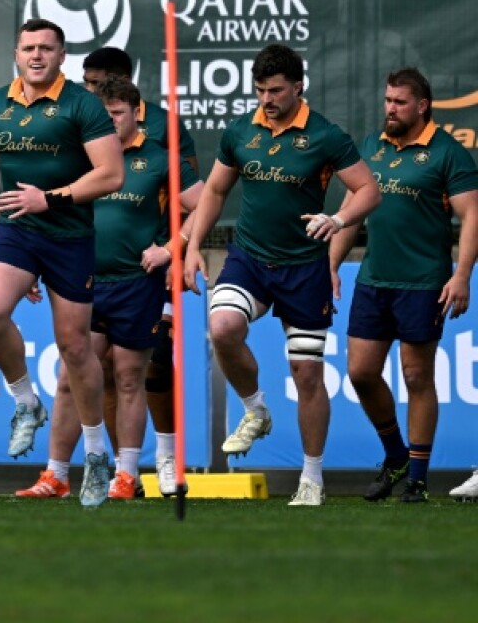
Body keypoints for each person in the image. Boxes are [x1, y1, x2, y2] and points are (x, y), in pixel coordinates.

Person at [184, 43, 381, 506]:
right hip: (249, 258)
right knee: (222, 326)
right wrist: (191, 247)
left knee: (307, 373)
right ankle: (255, 410)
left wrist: (337, 219)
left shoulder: (326, 136)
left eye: (275, 91)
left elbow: (369, 190)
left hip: (304, 267)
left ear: (298, 87)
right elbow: (213, 190)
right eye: (259, 91)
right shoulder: (240, 132)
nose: (267, 99)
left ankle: (311, 478)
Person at [16, 77, 202, 502]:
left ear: (137, 113)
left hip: (137, 284)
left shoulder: (160, 158)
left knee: (129, 377)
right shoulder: (81, 156)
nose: (111, 121)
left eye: (118, 113)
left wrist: (172, 248)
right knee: (69, 377)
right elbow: (48, 209)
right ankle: (56, 474)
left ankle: (125, 474)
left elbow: (204, 203)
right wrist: (31, 267)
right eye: (105, 114)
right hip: (82, 280)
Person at [0, 18, 124, 507]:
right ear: (16, 53)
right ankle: (25, 403)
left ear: (62, 56)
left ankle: (97, 454)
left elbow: (111, 174)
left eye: (47, 48)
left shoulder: (82, 105)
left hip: (69, 235)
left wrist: (51, 199)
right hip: (17, 230)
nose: (36, 55)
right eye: (28, 48)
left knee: (75, 347)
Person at [329, 68, 477, 502]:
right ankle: (395, 455)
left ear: (422, 105)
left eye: (398, 102)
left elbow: (472, 217)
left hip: (423, 283)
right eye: (387, 100)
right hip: (373, 279)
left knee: (416, 376)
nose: (389, 108)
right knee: (360, 372)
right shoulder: (373, 146)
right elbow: (349, 208)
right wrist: (331, 264)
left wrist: (462, 274)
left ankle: (416, 477)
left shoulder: (448, 152)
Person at [82, 47, 199, 497]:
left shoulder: (165, 132)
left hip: (150, 269)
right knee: (102, 370)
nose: (93, 93)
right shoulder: (83, 136)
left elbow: (197, 201)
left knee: (154, 363)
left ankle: (168, 459)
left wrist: (177, 250)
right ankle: (121, 469)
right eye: (88, 84)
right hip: (94, 274)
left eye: (101, 84)